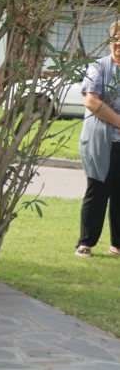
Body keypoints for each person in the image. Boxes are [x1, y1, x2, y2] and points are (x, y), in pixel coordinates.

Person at [76, 22, 120, 258]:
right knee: (98, 189)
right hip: (101, 141)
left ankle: (118, 245)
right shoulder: (98, 67)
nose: (119, 44)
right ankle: (85, 243)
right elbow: (92, 102)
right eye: (116, 39)